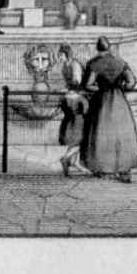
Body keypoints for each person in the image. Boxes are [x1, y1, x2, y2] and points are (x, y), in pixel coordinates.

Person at [79, 36, 137, 182]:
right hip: (119, 101)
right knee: (122, 133)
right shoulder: (119, 62)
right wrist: (122, 88)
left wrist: (99, 88)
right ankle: (124, 170)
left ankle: (104, 170)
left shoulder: (94, 64)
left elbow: (88, 84)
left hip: (102, 101)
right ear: (109, 47)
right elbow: (132, 82)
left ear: (97, 48)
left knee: (101, 132)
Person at [57, 45, 87, 177]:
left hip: (77, 99)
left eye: (61, 55)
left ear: (66, 54)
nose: (59, 57)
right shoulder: (65, 66)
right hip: (73, 100)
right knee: (78, 134)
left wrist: (67, 89)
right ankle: (69, 159)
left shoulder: (74, 65)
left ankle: (71, 159)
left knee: (81, 134)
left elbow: (77, 82)